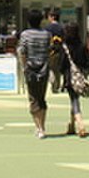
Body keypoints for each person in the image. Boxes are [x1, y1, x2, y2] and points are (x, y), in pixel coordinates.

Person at [17, 9, 51, 139]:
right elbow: (49, 50)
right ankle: (42, 126)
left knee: (33, 98)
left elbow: (22, 51)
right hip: (44, 68)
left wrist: (24, 66)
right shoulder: (47, 34)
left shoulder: (25, 34)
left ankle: (38, 127)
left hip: (30, 68)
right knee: (42, 97)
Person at [61, 21, 89, 137]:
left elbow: (62, 65)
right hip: (80, 77)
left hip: (70, 77)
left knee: (74, 100)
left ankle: (80, 124)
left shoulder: (65, 47)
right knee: (74, 99)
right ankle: (71, 125)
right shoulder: (82, 46)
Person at [44, 9, 65, 92]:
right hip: (60, 50)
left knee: (50, 68)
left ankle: (53, 84)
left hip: (50, 51)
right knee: (57, 69)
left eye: (49, 16)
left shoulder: (47, 28)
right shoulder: (61, 27)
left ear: (52, 17)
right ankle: (57, 85)